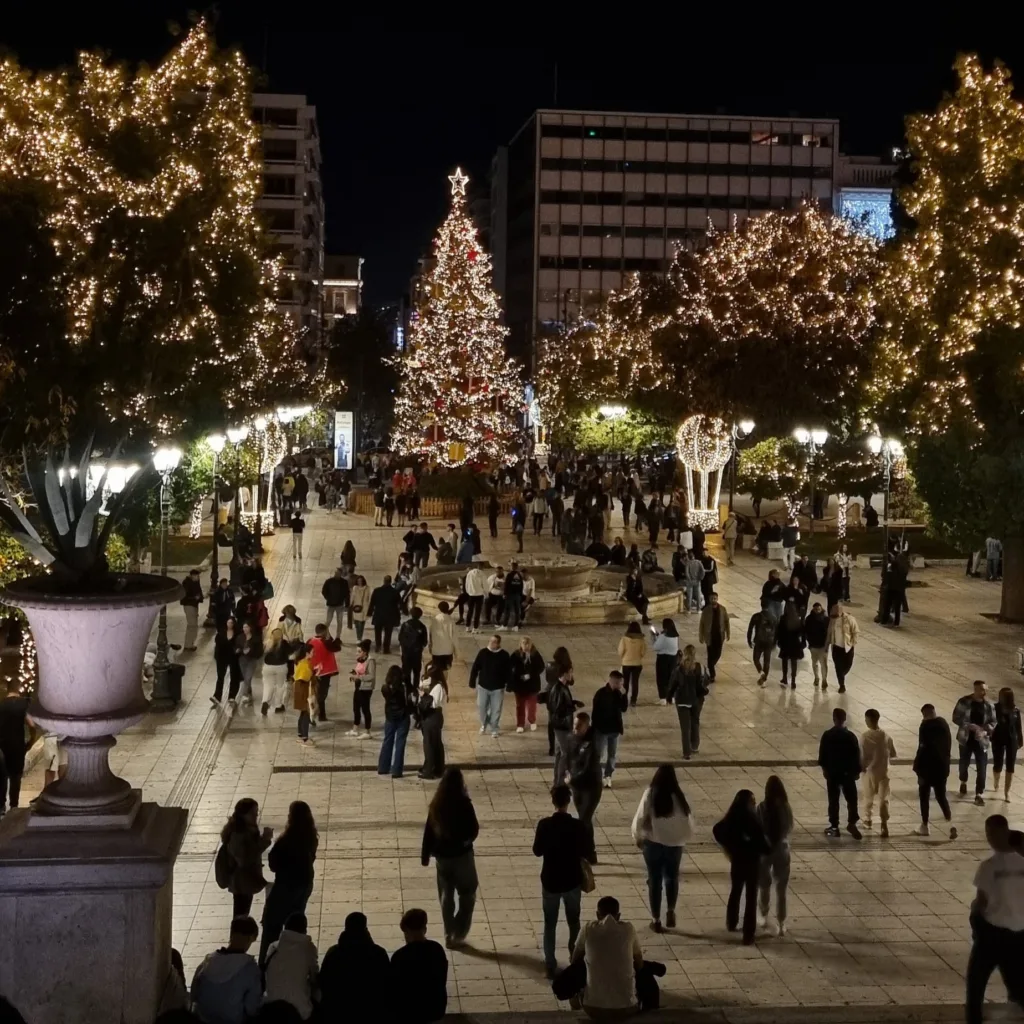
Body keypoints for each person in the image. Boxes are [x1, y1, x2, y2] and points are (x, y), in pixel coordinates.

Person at [965, 814, 1024, 1024]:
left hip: (992, 936)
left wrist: (975, 924)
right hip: (1018, 936)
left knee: (975, 986)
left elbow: (980, 903)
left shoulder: (988, 866)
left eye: (990, 833)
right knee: (1018, 986)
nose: (989, 837)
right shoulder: (1022, 863)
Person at [533, 783, 589, 978]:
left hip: (551, 880)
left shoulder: (545, 825)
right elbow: (586, 851)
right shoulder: (578, 826)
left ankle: (550, 963)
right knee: (574, 921)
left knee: (550, 923)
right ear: (569, 801)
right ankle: (575, 957)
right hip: (572, 880)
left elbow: (537, 851)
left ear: (553, 801)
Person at [421, 767, 479, 947]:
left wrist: (425, 855)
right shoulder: (464, 804)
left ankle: (448, 933)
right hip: (462, 856)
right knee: (468, 893)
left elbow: (428, 832)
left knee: (446, 896)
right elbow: (474, 829)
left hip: (442, 858)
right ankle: (459, 930)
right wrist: (465, 841)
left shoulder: (436, 805)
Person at [631, 765, 693, 933]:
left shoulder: (650, 793)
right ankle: (671, 910)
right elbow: (687, 821)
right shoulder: (679, 797)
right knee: (672, 878)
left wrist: (637, 836)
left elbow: (640, 816)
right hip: (675, 845)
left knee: (654, 880)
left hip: (653, 843)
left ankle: (656, 919)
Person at [259, 800, 319, 964]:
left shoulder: (285, 841)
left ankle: (266, 964)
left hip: (285, 886)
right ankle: (294, 960)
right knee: (295, 924)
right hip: (304, 884)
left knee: (272, 925)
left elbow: (273, 865)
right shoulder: (311, 837)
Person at [569, 896, 645, 1016]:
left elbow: (574, 960)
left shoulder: (588, 928)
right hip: (626, 1007)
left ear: (597, 915)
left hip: (593, 1008)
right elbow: (639, 962)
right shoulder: (628, 929)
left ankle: (575, 1010)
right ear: (618, 916)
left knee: (576, 976)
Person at [713, 790, 770, 944]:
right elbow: (764, 846)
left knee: (736, 891)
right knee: (751, 897)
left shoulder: (731, 819)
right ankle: (748, 933)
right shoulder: (754, 822)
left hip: (737, 862)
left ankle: (731, 922)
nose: (754, 804)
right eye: (753, 801)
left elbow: (717, 830)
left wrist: (729, 849)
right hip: (752, 864)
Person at [190, 916, 262, 1024]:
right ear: (249, 938)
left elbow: (193, 995)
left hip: (203, 1020)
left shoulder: (207, 963)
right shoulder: (250, 968)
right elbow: (252, 1008)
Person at [319, 912, 391, 1020]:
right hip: (372, 1013)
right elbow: (388, 983)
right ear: (365, 929)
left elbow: (323, 982)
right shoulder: (378, 953)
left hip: (338, 1013)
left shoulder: (334, 953)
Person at [390, 908, 449, 1023]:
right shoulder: (437, 949)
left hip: (408, 1011)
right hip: (435, 1008)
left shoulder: (400, 956)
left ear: (405, 930)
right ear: (424, 929)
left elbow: (394, 987)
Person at [217, 798, 272, 920]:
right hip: (241, 882)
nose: (255, 816)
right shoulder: (238, 834)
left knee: (242, 913)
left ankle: (238, 935)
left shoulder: (248, 829)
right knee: (240, 915)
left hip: (246, 880)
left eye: (256, 812)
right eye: (252, 813)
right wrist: (265, 841)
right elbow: (244, 859)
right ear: (242, 815)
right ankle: (237, 937)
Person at [913, 703, 958, 838]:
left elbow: (923, 748)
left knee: (924, 796)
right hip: (942, 767)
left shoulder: (925, 727)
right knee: (941, 796)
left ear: (924, 715)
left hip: (927, 769)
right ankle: (950, 824)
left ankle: (925, 825)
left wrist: (917, 767)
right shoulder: (943, 723)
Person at [756, 776, 793, 936]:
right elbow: (790, 826)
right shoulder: (786, 807)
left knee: (764, 886)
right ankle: (781, 922)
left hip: (765, 850)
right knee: (781, 890)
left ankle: (763, 915)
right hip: (782, 849)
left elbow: (757, 827)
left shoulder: (762, 807)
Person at [818, 708, 863, 839]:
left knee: (833, 799)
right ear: (845, 719)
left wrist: (825, 770)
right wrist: (856, 772)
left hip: (833, 773)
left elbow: (822, 755)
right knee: (852, 799)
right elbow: (856, 755)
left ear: (834, 718)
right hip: (847, 774)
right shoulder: (850, 736)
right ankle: (852, 822)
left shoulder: (827, 735)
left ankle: (834, 826)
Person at [567, 711, 603, 864]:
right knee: (585, 821)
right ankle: (590, 853)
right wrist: (568, 774)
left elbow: (589, 769)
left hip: (591, 787)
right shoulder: (573, 739)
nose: (575, 729)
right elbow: (569, 758)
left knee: (583, 820)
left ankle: (583, 853)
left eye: (578, 727)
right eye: (574, 726)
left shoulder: (593, 744)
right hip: (577, 787)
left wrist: (572, 779)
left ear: (586, 727)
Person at [953, 679, 997, 806]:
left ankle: (979, 793)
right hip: (966, 739)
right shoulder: (964, 702)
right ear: (975, 689)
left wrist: (985, 731)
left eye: (985, 690)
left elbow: (993, 722)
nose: (984, 692)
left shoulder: (989, 706)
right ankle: (963, 781)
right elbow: (956, 717)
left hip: (981, 740)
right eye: (982, 690)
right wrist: (969, 726)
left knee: (982, 767)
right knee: (963, 763)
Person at [856, 708, 897, 838]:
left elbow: (861, 756)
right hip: (884, 772)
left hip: (870, 772)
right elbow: (893, 753)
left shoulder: (865, 737)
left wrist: (861, 768)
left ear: (869, 720)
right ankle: (884, 824)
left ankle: (868, 820)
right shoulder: (886, 736)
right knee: (884, 799)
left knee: (868, 797)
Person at [666, 645, 707, 760]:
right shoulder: (700, 667)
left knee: (685, 728)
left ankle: (686, 752)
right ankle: (694, 745)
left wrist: (669, 696)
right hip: (696, 700)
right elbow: (706, 680)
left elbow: (673, 684)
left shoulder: (679, 669)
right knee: (695, 722)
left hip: (682, 701)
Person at [469, 633, 511, 737]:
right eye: (490, 641)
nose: (491, 643)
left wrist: (509, 684)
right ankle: (484, 724)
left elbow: (508, 671)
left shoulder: (504, 655)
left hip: (498, 687)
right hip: (483, 686)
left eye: (494, 642)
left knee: (496, 709)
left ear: (498, 644)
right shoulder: (483, 653)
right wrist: (472, 681)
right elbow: (475, 668)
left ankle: (494, 728)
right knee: (482, 707)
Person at [591, 670, 628, 788]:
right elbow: (595, 713)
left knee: (612, 754)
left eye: (621, 684)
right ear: (612, 681)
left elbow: (624, 708)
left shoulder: (619, 693)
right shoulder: (601, 694)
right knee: (598, 754)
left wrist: (624, 695)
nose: (620, 686)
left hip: (614, 730)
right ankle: (595, 776)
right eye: (618, 683)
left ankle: (608, 776)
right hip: (602, 730)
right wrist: (595, 728)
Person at [548, 659, 579, 785]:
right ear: (565, 674)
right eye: (570, 672)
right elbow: (558, 709)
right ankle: (559, 781)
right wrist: (572, 708)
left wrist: (573, 703)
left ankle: (557, 779)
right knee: (565, 753)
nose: (571, 675)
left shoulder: (562, 687)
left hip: (561, 724)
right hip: (561, 725)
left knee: (560, 752)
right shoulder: (559, 689)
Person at [378, 665, 413, 778]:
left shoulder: (385, 688)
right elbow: (409, 697)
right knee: (400, 743)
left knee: (387, 741)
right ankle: (397, 770)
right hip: (403, 717)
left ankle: (383, 767)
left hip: (390, 718)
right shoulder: (403, 688)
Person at [0, 687, 30, 815]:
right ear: (19, 691)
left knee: (2, 776)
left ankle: (1, 806)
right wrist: (32, 740)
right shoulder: (24, 704)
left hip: (2, 745)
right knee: (16, 776)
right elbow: (32, 725)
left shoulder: (1, 704)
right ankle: (14, 806)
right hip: (18, 745)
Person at [992, 687, 1022, 801]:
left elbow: (1018, 726)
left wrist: (1020, 739)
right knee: (997, 763)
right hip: (998, 738)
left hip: (1011, 739)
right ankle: (996, 781)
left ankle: (1007, 791)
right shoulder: (995, 708)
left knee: (1010, 765)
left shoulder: (1015, 710)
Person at [418, 666, 448, 780]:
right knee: (434, 743)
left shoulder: (438, 686)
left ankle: (429, 770)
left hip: (433, 717)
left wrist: (423, 695)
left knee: (430, 744)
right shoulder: (433, 686)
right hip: (430, 717)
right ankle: (437, 768)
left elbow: (434, 703)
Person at [509, 635, 544, 733]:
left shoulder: (535, 655)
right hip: (519, 685)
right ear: (520, 644)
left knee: (532, 705)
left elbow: (541, 667)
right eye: (523, 643)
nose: (525, 646)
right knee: (520, 705)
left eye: (527, 643)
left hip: (532, 685)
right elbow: (510, 666)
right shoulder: (516, 655)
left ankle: (532, 721)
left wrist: (530, 675)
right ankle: (520, 724)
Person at [826, 603, 859, 693]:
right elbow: (829, 633)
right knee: (838, 667)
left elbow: (855, 632)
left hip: (848, 647)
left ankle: (842, 675)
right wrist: (827, 645)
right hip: (836, 648)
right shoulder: (832, 620)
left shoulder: (849, 619)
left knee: (848, 665)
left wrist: (853, 643)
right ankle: (842, 685)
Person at [698, 592, 729, 682]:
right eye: (712, 598)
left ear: (717, 598)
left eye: (715, 598)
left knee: (717, 654)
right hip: (709, 637)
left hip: (719, 636)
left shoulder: (722, 609)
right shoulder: (706, 611)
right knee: (710, 656)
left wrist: (728, 633)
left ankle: (710, 666)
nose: (713, 600)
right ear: (709, 599)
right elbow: (702, 624)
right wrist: (701, 636)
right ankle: (712, 675)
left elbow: (727, 621)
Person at [348, 639, 376, 739]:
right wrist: (354, 674)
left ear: (365, 652)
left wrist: (359, 677)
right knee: (356, 707)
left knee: (365, 709)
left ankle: (367, 731)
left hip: (366, 688)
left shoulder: (370, 661)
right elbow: (359, 671)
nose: (357, 653)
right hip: (358, 686)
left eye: (359, 651)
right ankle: (355, 729)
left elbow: (371, 676)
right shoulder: (360, 660)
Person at [367, 575, 402, 654]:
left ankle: (378, 646)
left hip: (379, 614)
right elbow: (400, 604)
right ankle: (386, 648)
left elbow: (372, 603)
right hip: (390, 615)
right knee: (388, 633)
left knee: (378, 631)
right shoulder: (395, 592)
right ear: (390, 581)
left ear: (384, 581)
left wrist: (369, 613)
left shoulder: (377, 591)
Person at [775, 597, 805, 690]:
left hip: (785, 642)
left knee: (784, 661)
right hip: (795, 643)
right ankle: (793, 680)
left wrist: (778, 641)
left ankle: (784, 678)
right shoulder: (798, 619)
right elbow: (802, 632)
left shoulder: (783, 618)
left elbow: (779, 631)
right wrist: (803, 642)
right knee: (794, 662)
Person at [212, 617, 242, 707]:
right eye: (228, 623)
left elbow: (240, 644)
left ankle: (232, 696)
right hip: (222, 657)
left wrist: (238, 650)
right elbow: (217, 645)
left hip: (233, 657)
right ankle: (217, 696)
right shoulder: (221, 633)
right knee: (220, 676)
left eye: (231, 623)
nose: (229, 624)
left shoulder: (238, 634)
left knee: (234, 676)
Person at [398, 606, 429, 692]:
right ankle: (415, 689)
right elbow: (425, 641)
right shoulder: (422, 626)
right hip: (416, 653)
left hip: (406, 653)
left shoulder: (405, 625)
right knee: (416, 672)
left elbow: (400, 638)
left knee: (406, 671)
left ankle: (407, 688)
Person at [746, 605, 777, 687]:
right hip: (769, 642)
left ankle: (760, 671)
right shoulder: (773, 617)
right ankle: (764, 680)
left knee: (756, 658)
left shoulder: (756, 616)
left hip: (759, 641)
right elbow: (777, 631)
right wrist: (774, 643)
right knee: (767, 662)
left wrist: (749, 640)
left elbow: (750, 629)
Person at [292, 645, 316, 746]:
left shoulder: (301, 662)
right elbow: (305, 678)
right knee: (306, 712)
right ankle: (305, 739)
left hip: (299, 688)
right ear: (307, 653)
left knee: (303, 712)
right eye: (312, 652)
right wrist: (315, 672)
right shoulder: (304, 664)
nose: (313, 654)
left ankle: (301, 735)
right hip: (302, 689)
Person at [652, 618, 679, 704]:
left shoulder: (663, 636)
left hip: (663, 659)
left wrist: (654, 638)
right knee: (671, 678)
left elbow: (656, 647)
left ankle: (663, 698)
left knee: (661, 678)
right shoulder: (676, 636)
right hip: (673, 659)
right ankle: (672, 697)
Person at [235, 622, 263, 706]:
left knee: (248, 677)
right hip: (242, 659)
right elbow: (237, 646)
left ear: (250, 628)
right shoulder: (240, 637)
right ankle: (249, 693)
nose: (245, 629)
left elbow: (260, 651)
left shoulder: (256, 638)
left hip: (252, 660)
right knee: (246, 678)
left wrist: (250, 652)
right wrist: (238, 650)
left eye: (246, 627)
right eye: (244, 627)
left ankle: (244, 695)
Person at [804, 601, 830, 689]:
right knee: (815, 663)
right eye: (816, 609)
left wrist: (827, 644)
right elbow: (806, 631)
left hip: (823, 646)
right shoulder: (809, 619)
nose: (817, 611)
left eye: (818, 609)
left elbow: (828, 633)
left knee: (823, 664)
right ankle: (817, 677)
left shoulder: (826, 620)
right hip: (813, 645)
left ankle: (824, 680)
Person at [427, 601, 455, 678]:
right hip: (448, 650)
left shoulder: (434, 620)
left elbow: (430, 634)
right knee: (445, 668)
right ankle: (444, 682)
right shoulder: (451, 621)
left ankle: (437, 681)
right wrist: (456, 651)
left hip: (436, 650)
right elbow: (454, 637)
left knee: (436, 667)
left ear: (439, 609)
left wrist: (430, 646)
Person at [321, 568, 350, 637]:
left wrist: (347, 604)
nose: (336, 574)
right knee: (328, 621)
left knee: (340, 622)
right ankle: (325, 635)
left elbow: (347, 594)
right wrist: (328, 598)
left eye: (338, 573)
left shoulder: (344, 582)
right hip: (330, 605)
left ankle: (338, 636)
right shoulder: (329, 581)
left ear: (341, 574)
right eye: (336, 573)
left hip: (340, 605)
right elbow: (324, 591)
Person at [180, 568, 204, 651]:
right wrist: (195, 598)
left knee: (193, 625)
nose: (198, 577)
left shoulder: (195, 582)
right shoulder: (187, 583)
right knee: (192, 625)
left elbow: (199, 592)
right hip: (189, 605)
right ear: (193, 575)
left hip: (194, 605)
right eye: (197, 575)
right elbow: (184, 596)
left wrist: (200, 597)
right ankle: (188, 644)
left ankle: (190, 643)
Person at [501, 559, 526, 631]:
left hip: (510, 595)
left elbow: (507, 585)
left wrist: (505, 594)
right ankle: (516, 626)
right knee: (517, 611)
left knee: (507, 610)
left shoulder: (509, 575)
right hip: (517, 595)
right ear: (517, 568)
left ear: (511, 567)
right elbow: (521, 586)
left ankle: (505, 625)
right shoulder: (519, 575)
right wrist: (520, 595)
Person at [463, 563, 487, 633]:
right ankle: (475, 628)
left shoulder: (470, 573)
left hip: (471, 595)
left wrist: (468, 592)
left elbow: (466, 584)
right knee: (477, 612)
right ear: (482, 567)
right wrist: (486, 592)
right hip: (479, 595)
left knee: (470, 611)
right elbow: (485, 585)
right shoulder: (482, 574)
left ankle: (467, 627)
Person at [348, 574, 369, 642]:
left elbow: (369, 598)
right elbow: (352, 597)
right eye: (358, 581)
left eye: (361, 581)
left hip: (364, 608)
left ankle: (359, 638)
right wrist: (350, 604)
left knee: (361, 624)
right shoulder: (355, 588)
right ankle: (359, 638)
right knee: (358, 624)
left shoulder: (367, 588)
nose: (360, 582)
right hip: (356, 608)